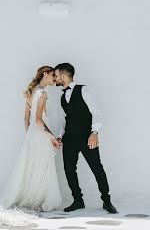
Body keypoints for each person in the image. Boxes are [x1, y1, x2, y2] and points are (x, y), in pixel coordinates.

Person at [0, 65, 63, 226]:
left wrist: (30, 135)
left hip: (33, 135)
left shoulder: (31, 91)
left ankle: (32, 197)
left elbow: (26, 119)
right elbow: (38, 119)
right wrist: (52, 137)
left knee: (31, 167)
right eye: (53, 76)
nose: (55, 79)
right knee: (41, 167)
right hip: (41, 134)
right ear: (45, 74)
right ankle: (39, 199)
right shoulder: (42, 93)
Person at [53, 62, 117, 214]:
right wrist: (60, 136)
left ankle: (106, 201)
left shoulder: (83, 90)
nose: (54, 79)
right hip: (69, 139)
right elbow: (64, 120)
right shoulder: (62, 97)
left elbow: (96, 112)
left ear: (63, 76)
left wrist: (94, 133)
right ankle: (78, 200)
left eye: (56, 75)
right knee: (69, 169)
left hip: (86, 138)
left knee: (97, 168)